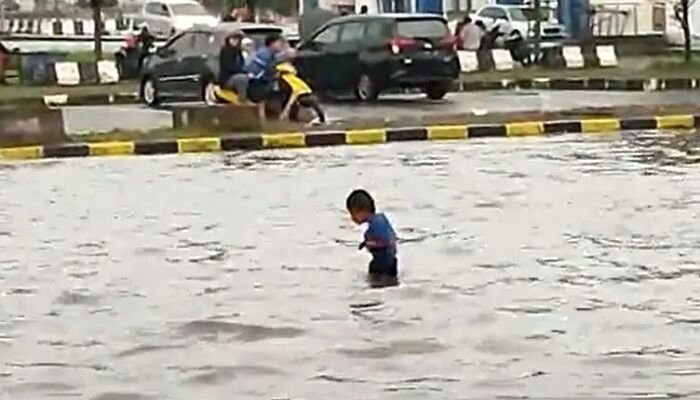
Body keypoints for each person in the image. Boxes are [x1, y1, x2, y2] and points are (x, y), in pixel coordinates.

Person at [346, 189, 399, 288]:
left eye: (353, 214)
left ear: (361, 211)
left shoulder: (376, 224)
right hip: (391, 261)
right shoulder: (380, 220)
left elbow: (385, 241)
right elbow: (391, 237)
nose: (352, 218)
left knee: (375, 285)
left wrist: (369, 244)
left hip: (382, 262)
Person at [244, 33, 286, 120]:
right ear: (272, 43)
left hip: (263, 80)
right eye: (279, 43)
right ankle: (262, 119)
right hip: (256, 82)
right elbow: (264, 69)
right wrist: (275, 73)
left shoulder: (272, 54)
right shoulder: (264, 54)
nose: (281, 46)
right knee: (263, 97)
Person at [218, 31, 248, 101]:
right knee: (241, 79)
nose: (235, 41)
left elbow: (243, 63)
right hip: (227, 79)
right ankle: (242, 100)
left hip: (237, 74)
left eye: (237, 40)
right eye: (233, 39)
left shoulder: (238, 51)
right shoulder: (225, 50)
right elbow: (229, 67)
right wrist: (241, 70)